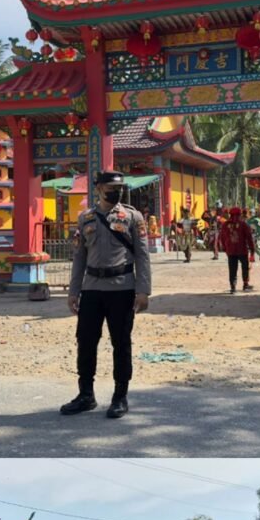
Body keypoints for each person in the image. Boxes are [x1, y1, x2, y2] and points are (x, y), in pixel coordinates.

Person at [64, 171, 152, 420]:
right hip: (92, 289)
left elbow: (142, 256)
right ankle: (86, 395)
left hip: (122, 289)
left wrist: (143, 290)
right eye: (112, 187)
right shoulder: (85, 218)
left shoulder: (133, 217)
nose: (117, 191)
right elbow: (79, 257)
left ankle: (120, 396)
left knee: (121, 343)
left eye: (121, 187)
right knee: (86, 342)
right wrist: (73, 291)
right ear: (99, 188)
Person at [219, 207, 256, 292]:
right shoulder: (243, 225)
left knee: (232, 269)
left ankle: (233, 286)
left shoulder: (225, 225)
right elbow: (249, 238)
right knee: (245, 267)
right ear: (239, 215)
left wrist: (225, 249)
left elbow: (222, 238)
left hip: (231, 251)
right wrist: (252, 250)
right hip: (242, 250)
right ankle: (245, 285)